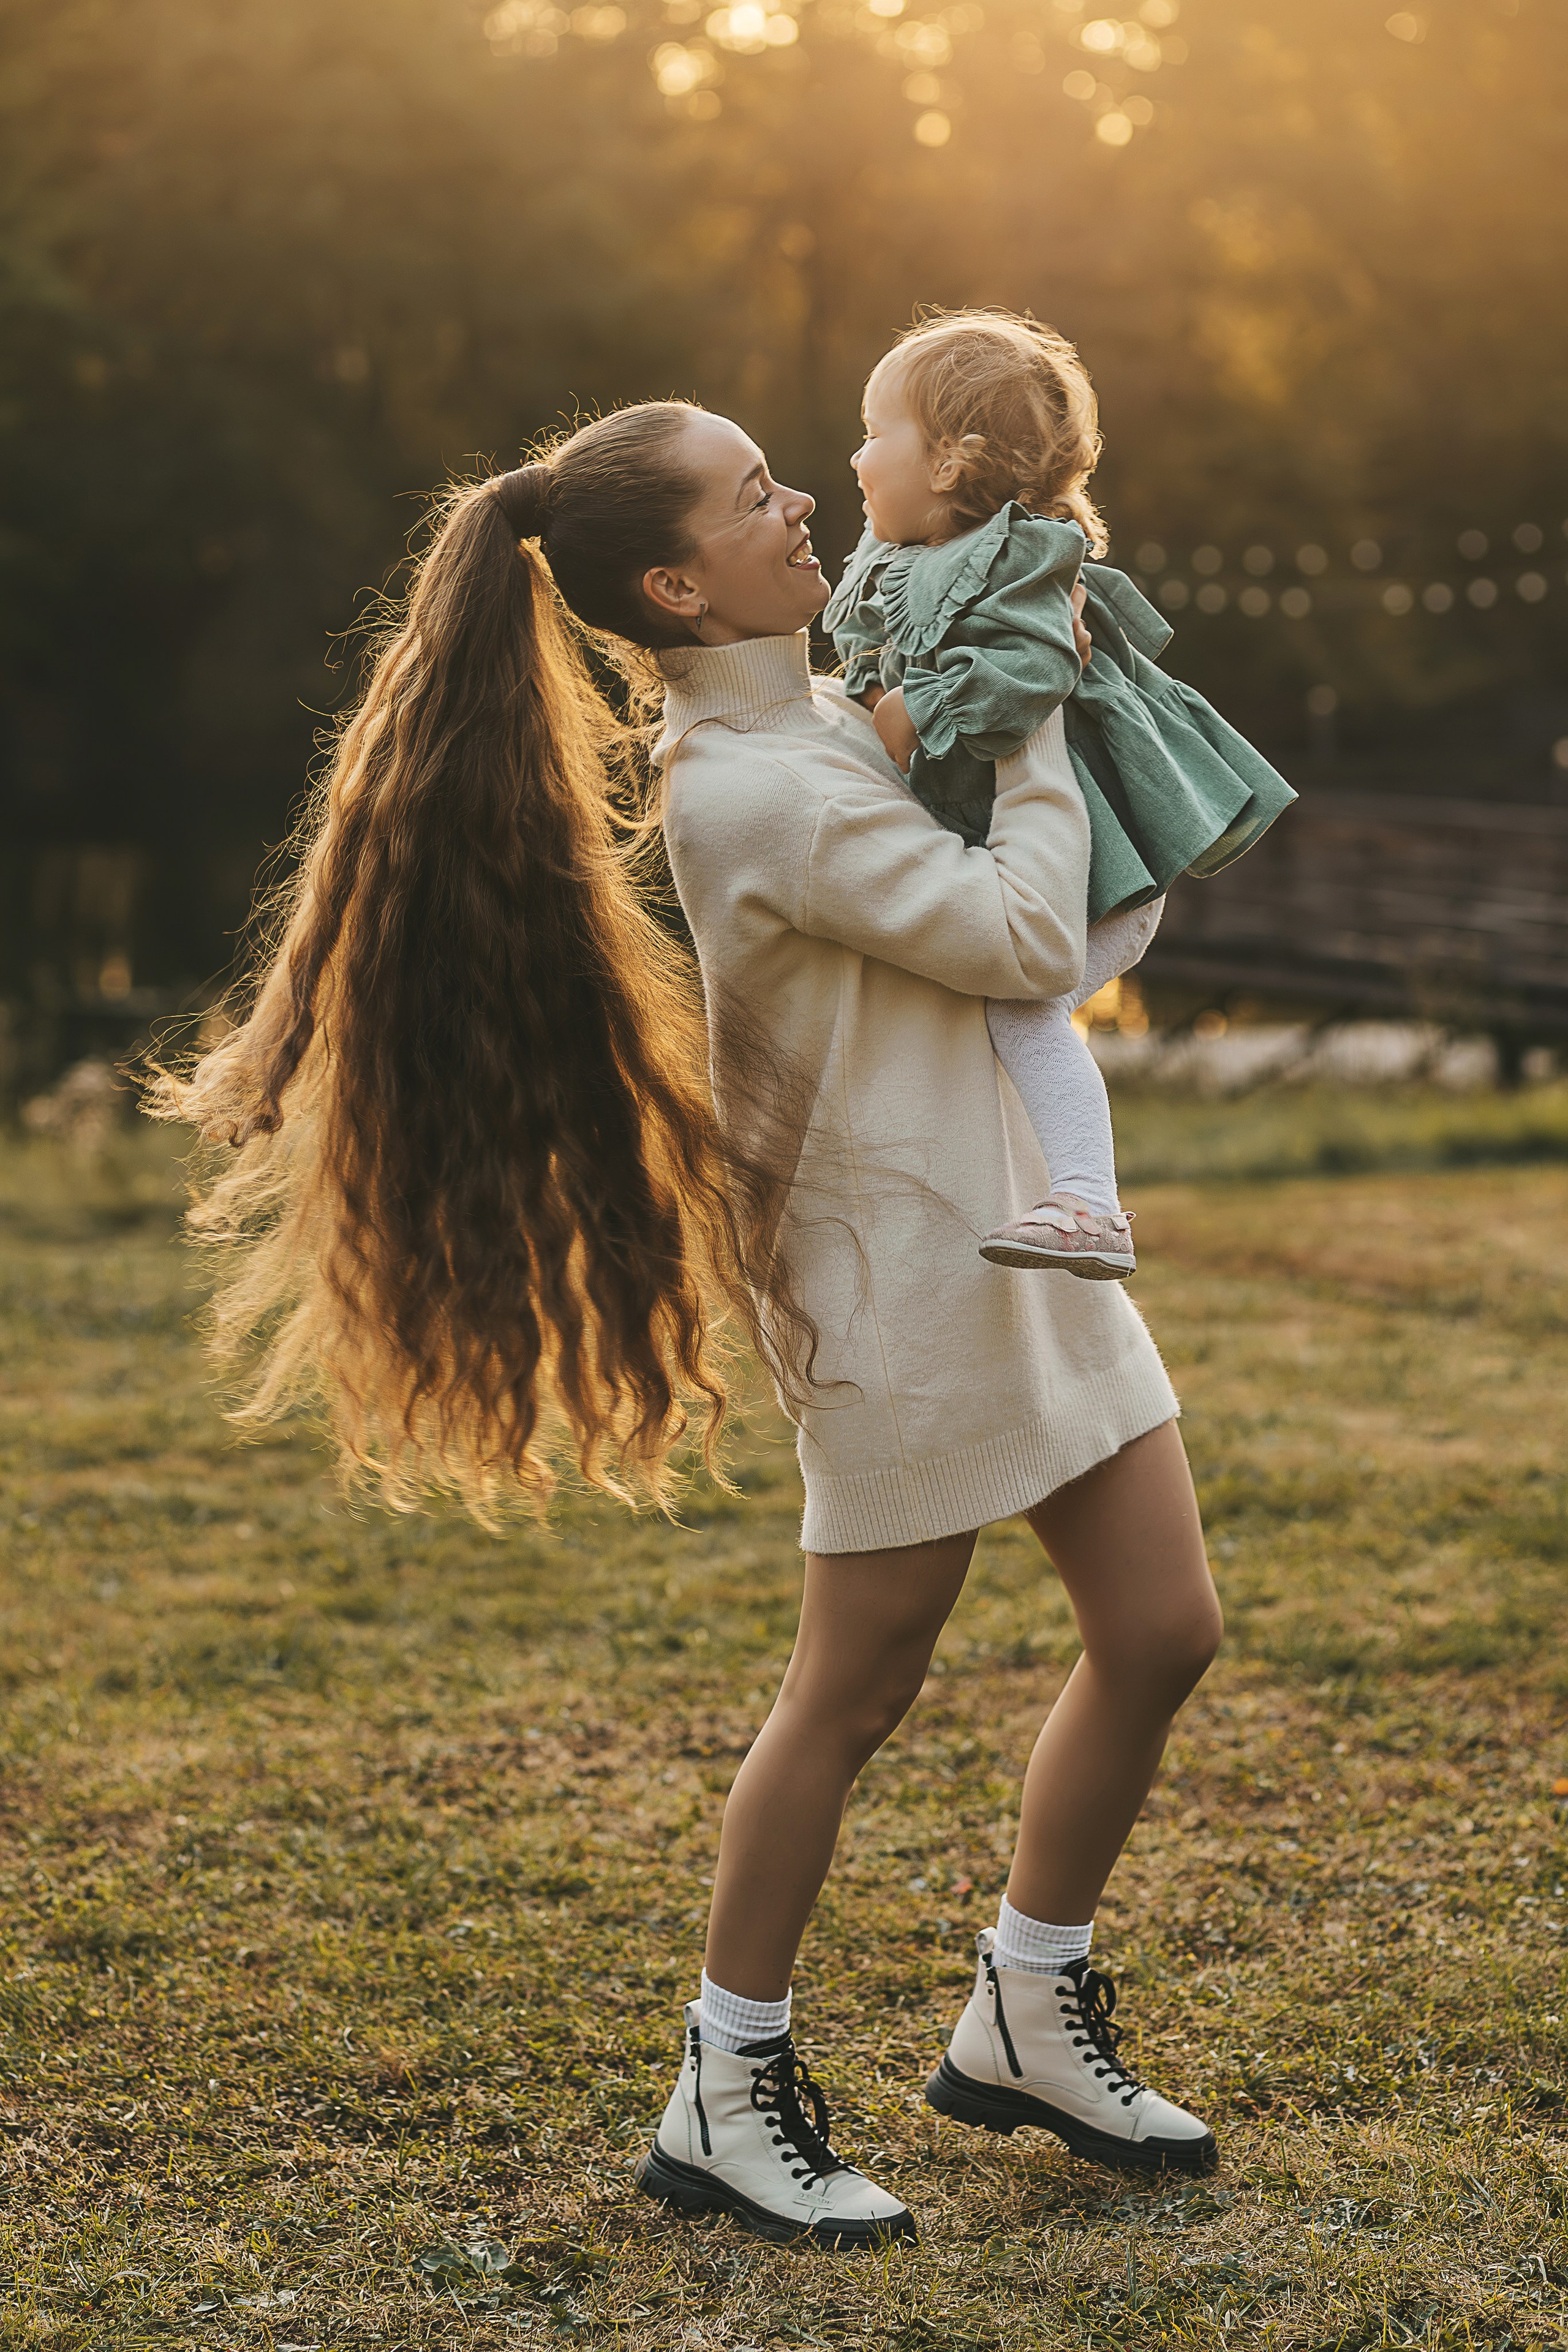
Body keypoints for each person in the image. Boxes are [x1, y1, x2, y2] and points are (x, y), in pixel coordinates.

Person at [153, 398, 1224, 2252]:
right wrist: (1035, 712)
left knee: (1163, 1629)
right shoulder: (757, 794)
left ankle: (1024, 2013)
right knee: (855, 1692)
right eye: (754, 498)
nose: (799, 499)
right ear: (677, 581)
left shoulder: (804, 732)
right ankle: (728, 2087)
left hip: (1019, 1256)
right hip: (904, 1289)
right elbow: (1029, 940)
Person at [827, 309, 1295, 1282]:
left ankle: (1088, 1203)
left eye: (876, 432)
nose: (856, 454)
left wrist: (904, 714)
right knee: (981, 1012)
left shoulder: (1019, 565)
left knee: (1020, 1013)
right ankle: (1006, 1197)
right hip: (1035, 876)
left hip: (1104, 879)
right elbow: (863, 676)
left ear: (950, 461)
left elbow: (1022, 682)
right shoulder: (904, 567)